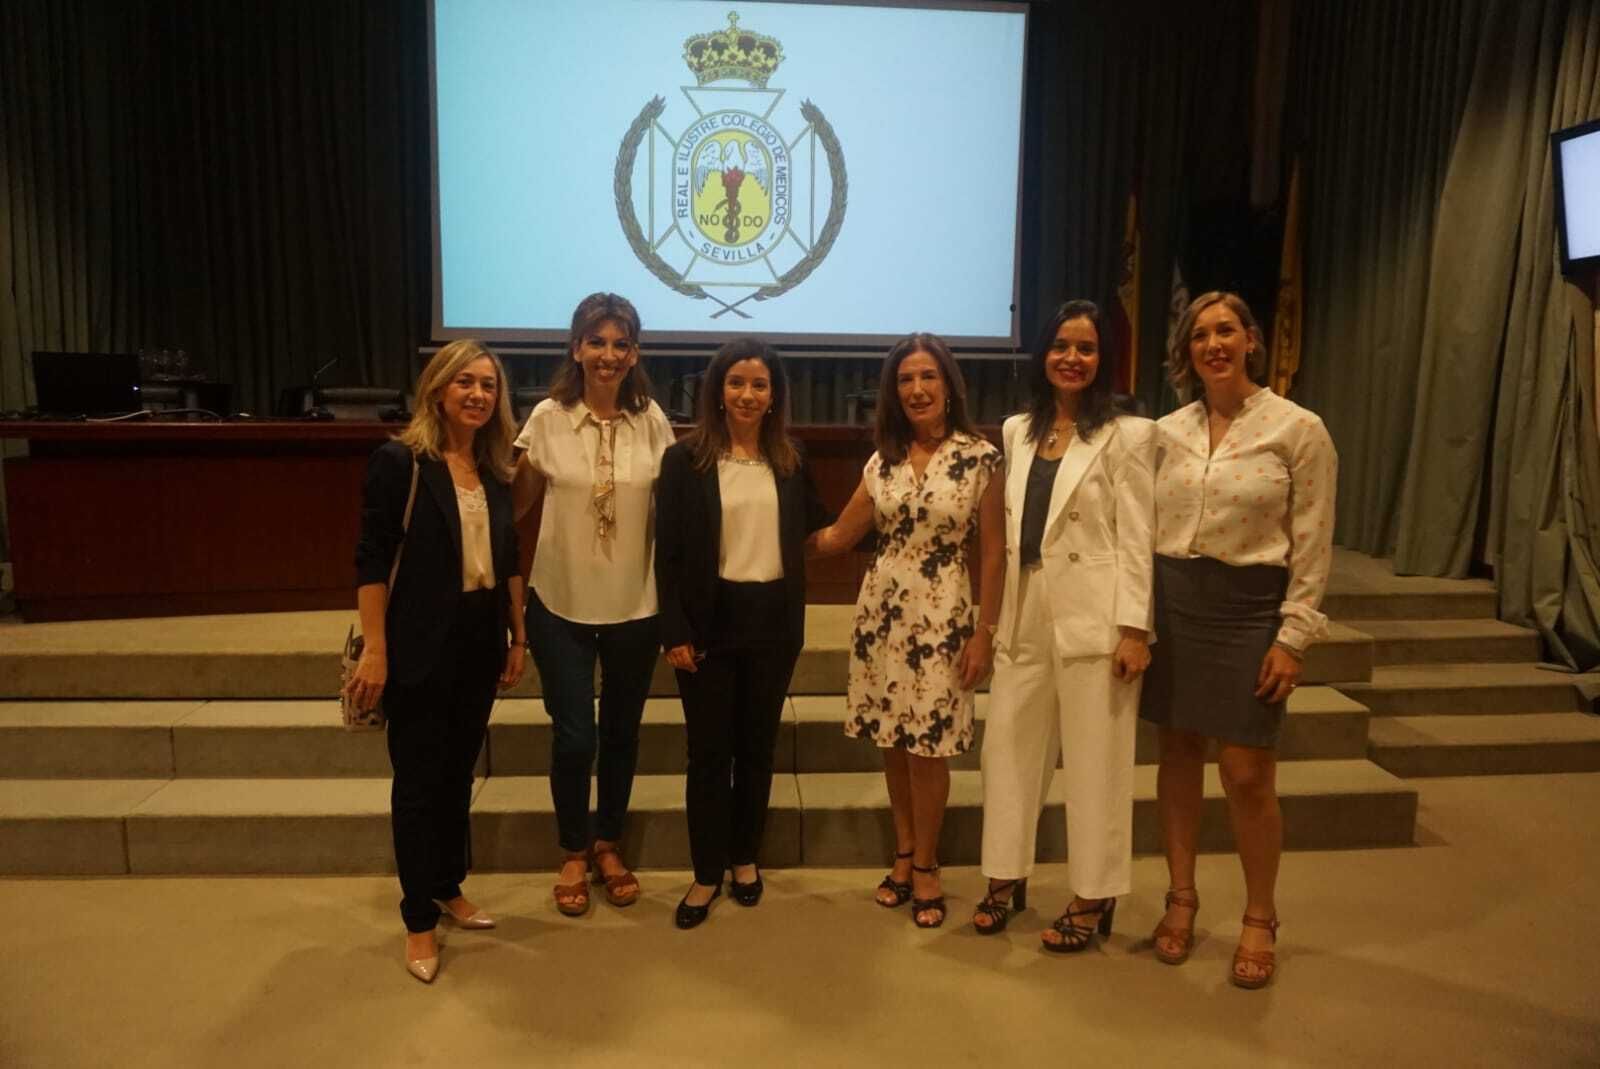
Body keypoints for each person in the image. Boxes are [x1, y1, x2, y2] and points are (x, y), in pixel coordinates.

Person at [1140, 291, 1337, 989]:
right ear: (1187, 350)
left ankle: (1260, 914)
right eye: (1199, 334)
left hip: (1251, 607)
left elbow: (1312, 542)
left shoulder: (1299, 429)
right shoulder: (1164, 431)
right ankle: (1181, 896)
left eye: (1226, 330)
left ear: (1252, 339)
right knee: (1178, 752)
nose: (1213, 344)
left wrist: (1294, 636)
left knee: (1248, 771)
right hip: (1174, 602)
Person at [974, 300, 1155, 952]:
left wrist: (1136, 627)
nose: (1071, 358)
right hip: (1025, 603)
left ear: (1103, 358)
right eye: (1061, 345)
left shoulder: (1130, 434)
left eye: (1085, 347)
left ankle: (1093, 892)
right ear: (1042, 353)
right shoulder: (1017, 428)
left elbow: (1138, 535)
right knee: (1007, 752)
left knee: (1095, 761)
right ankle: (1004, 874)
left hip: (1096, 612)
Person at [810, 332, 1004, 929]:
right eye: (905, 380)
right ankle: (901, 851)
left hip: (944, 615)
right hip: (882, 614)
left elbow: (994, 553)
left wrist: (985, 634)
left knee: (929, 748)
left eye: (928, 377)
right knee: (893, 741)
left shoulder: (980, 457)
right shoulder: (882, 461)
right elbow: (839, 536)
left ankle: (927, 864)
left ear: (948, 385)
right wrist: (755, 543)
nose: (917, 389)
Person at [348, 339, 526, 984]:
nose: (479, 395)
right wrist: (376, 648)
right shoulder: (402, 462)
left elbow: (506, 560)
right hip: (419, 640)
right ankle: (418, 919)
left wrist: (518, 636)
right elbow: (372, 557)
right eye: (465, 383)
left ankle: (449, 886)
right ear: (437, 390)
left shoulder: (497, 467)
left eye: (489, 385)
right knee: (419, 784)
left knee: (456, 776)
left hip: (480, 637)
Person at [655, 338, 830, 929]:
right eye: (736, 383)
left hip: (774, 626)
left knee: (757, 750)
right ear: (717, 391)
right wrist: (673, 629)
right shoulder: (685, 461)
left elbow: (821, 527)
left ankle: (745, 858)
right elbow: (670, 555)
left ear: (774, 394)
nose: (748, 395)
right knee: (708, 755)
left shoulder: (791, 459)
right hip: (707, 625)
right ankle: (706, 873)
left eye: (759, 385)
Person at [511, 292, 674, 916]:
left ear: (634, 354)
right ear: (576, 347)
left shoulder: (653, 420)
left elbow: (671, 514)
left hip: (637, 604)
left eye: (621, 344)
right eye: (597, 342)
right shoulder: (549, 417)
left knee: (622, 734)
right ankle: (573, 850)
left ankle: (609, 843)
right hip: (560, 605)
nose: (608, 355)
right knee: (576, 737)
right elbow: (519, 508)